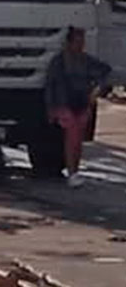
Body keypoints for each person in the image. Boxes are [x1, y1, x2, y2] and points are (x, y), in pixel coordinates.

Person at [44, 26, 111, 188]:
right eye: (77, 41)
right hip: (64, 103)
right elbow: (51, 86)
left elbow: (105, 71)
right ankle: (72, 172)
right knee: (71, 138)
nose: (80, 45)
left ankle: (75, 170)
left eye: (82, 42)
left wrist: (97, 89)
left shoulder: (86, 60)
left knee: (78, 139)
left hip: (82, 103)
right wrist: (51, 109)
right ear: (68, 43)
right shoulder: (59, 62)